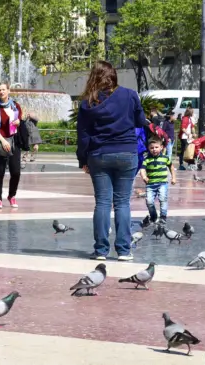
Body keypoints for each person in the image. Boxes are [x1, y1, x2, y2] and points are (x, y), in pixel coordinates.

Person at [76, 61, 150, 262]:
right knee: (122, 203)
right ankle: (124, 250)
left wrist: (83, 159)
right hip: (126, 152)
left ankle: (101, 250)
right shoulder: (130, 95)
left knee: (102, 202)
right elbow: (140, 121)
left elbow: (83, 135)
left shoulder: (88, 103)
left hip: (99, 154)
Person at [0, 82, 23, 210]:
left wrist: (19, 122)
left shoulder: (16, 106)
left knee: (16, 172)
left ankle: (12, 195)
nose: (1, 92)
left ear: (8, 90)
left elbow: (20, 121)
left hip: (14, 142)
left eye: (3, 89)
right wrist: (3, 141)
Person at [138, 136, 174, 224]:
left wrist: (174, 177)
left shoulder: (165, 158)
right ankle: (153, 216)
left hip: (162, 183)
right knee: (149, 201)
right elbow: (142, 169)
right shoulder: (147, 159)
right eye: (152, 148)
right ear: (148, 148)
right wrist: (144, 177)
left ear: (161, 147)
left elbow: (171, 167)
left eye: (156, 147)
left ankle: (163, 217)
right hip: (150, 184)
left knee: (163, 199)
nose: (154, 149)